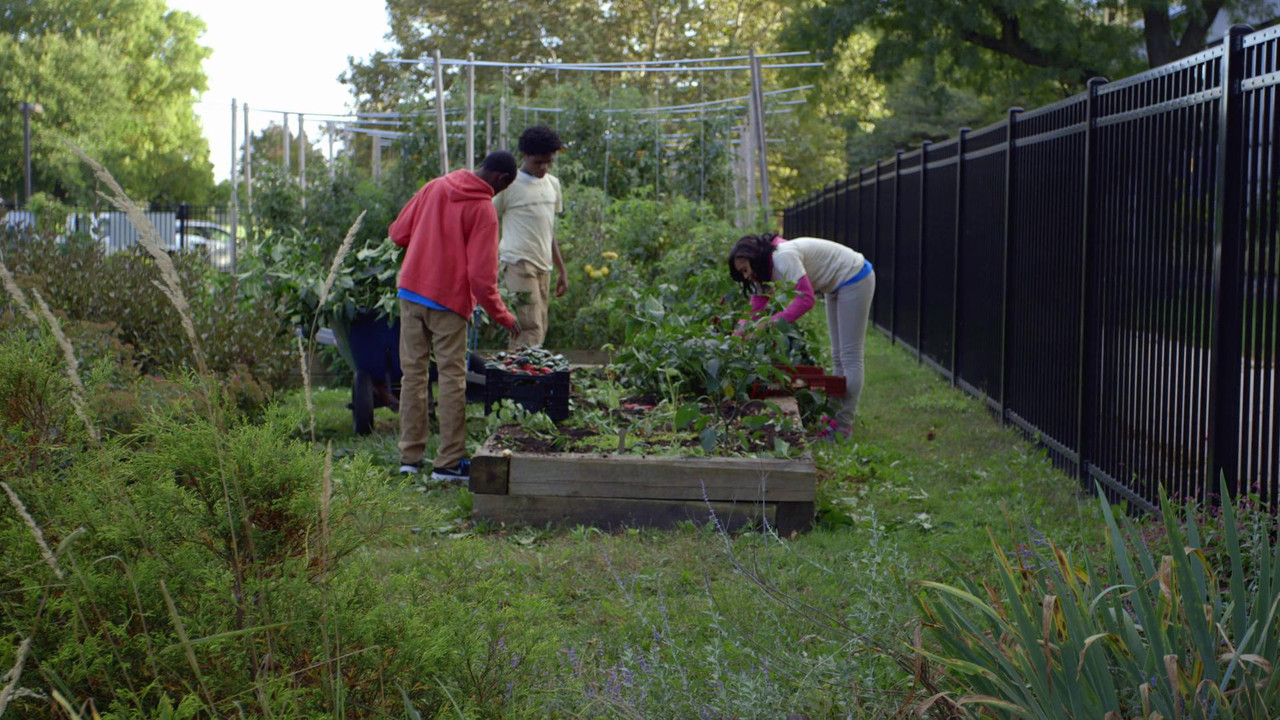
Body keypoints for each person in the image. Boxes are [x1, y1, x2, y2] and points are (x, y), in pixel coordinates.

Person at [390, 151, 521, 481]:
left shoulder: (435, 187)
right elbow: (481, 276)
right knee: (451, 377)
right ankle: (448, 463)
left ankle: (409, 458)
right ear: (502, 180)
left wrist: (430, 238)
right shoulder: (482, 210)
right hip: (447, 302)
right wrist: (503, 315)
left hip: (410, 293)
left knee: (413, 376)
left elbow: (397, 233)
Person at [727, 233, 875, 438]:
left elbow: (806, 299)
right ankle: (834, 418)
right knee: (837, 356)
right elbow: (756, 308)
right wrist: (738, 334)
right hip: (834, 284)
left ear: (754, 258)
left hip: (854, 276)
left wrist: (768, 326)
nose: (745, 276)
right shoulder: (763, 270)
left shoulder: (782, 257)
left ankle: (842, 427)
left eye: (745, 270)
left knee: (850, 355)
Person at [494, 125, 568, 349]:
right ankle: (526, 379)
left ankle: (516, 375)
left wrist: (561, 270)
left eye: (549, 161)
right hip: (518, 263)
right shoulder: (509, 185)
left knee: (540, 324)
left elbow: (549, 229)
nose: (544, 167)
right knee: (529, 326)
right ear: (524, 156)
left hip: (543, 266)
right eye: (538, 162)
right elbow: (488, 220)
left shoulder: (552, 184)